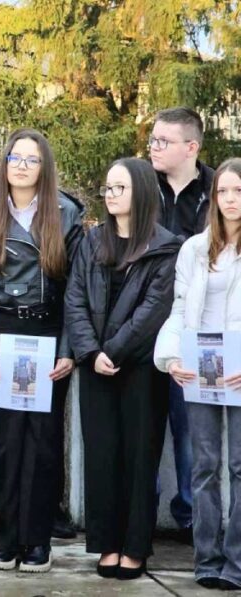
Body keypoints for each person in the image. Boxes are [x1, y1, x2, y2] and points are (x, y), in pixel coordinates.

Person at [0, 129, 82, 573]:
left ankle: (38, 542)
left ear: (44, 167)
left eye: (32, 159)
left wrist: (68, 349)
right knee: (5, 441)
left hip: (48, 333)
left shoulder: (66, 214)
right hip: (2, 334)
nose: (22, 166)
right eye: (15, 157)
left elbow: (76, 290)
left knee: (44, 442)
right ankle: (7, 538)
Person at [65, 158, 182, 580]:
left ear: (142, 192)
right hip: (95, 366)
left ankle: (134, 546)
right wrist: (90, 351)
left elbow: (153, 310)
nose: (110, 195)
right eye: (107, 188)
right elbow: (75, 299)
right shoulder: (93, 240)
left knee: (139, 456)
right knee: (102, 455)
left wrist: (112, 351)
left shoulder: (165, 247)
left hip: (140, 369)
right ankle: (107, 543)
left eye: (120, 188)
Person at [155, 158, 241, 591]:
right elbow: (178, 309)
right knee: (204, 466)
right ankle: (206, 558)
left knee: (240, 466)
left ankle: (237, 562)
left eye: (239, 191)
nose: (230, 199)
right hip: (201, 365)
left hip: (240, 369)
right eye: (223, 191)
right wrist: (171, 358)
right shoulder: (193, 249)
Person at [149, 107, 216, 542]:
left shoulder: (217, 190)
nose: (153, 147)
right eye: (152, 139)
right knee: (144, 430)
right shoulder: (142, 185)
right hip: (142, 325)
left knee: (191, 430)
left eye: (163, 141)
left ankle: (191, 515)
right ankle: (143, 510)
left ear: (191, 147)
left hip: (195, 331)